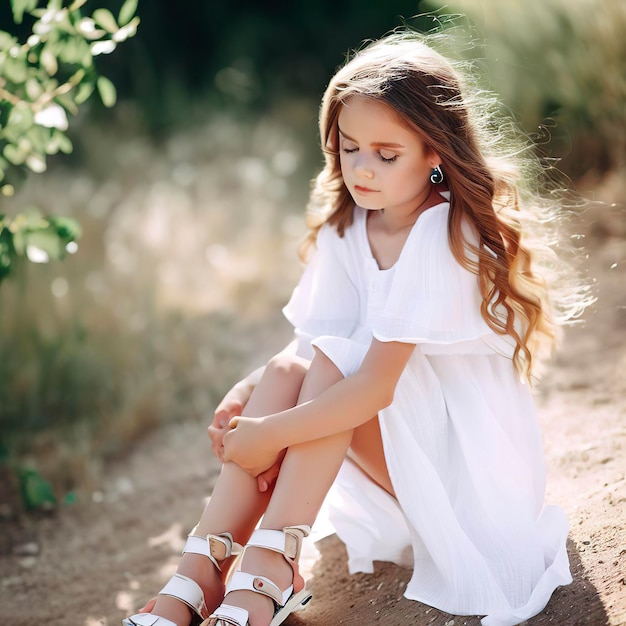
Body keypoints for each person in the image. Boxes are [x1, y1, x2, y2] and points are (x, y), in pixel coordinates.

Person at [123, 28, 586, 626]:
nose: (362, 170)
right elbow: (309, 346)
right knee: (295, 366)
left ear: (436, 153)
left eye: (386, 155)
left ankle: (266, 575)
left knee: (334, 365)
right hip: (397, 450)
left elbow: (374, 386)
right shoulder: (350, 227)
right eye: (348, 148)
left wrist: (268, 436)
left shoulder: (443, 234)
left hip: (463, 479)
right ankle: (200, 574)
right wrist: (247, 397)